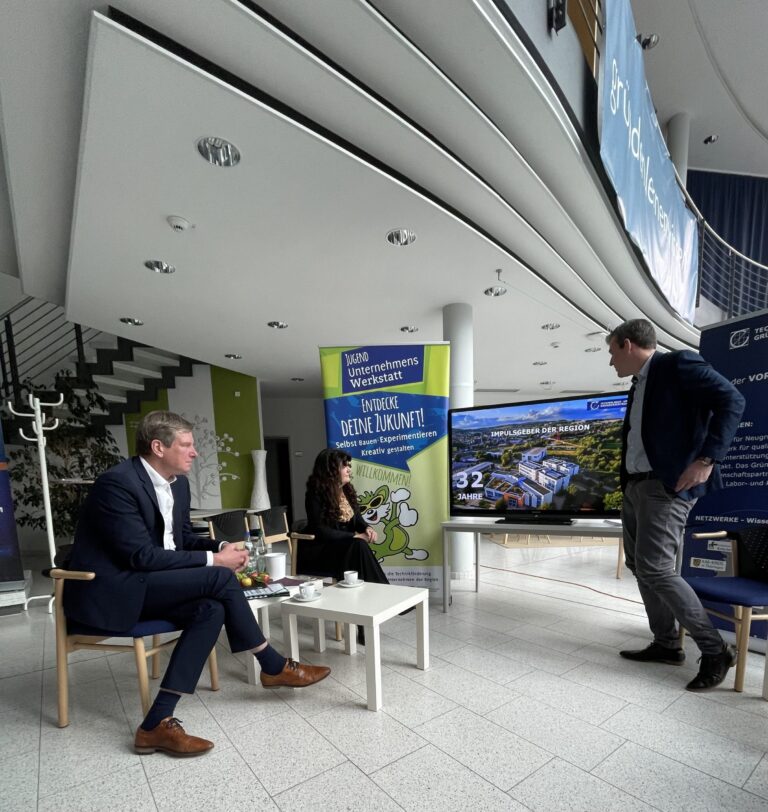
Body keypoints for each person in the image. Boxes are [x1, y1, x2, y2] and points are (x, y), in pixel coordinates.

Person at [65, 411, 330, 757]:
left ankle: (156, 723)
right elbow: (140, 557)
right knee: (219, 576)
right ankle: (271, 664)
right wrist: (215, 561)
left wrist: (221, 546)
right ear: (158, 447)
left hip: (154, 583)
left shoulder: (178, 484)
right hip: (117, 589)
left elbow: (182, 538)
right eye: (187, 445)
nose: (195, 452)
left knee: (212, 608)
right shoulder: (117, 484)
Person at [606, 319, 745, 691]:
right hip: (636, 486)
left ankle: (715, 649)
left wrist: (707, 459)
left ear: (628, 344)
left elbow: (732, 400)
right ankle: (666, 643)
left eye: (612, 352)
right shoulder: (639, 385)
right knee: (639, 565)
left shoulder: (677, 364)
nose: (611, 361)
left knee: (657, 568)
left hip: (666, 486)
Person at [300, 449, 389, 587]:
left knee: (358, 545)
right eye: (344, 466)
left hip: (345, 547)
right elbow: (321, 531)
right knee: (358, 545)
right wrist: (354, 536)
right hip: (322, 551)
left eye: (349, 466)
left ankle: (377, 590)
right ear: (331, 470)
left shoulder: (347, 490)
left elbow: (357, 518)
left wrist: (367, 528)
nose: (349, 470)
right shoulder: (314, 494)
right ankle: (382, 589)